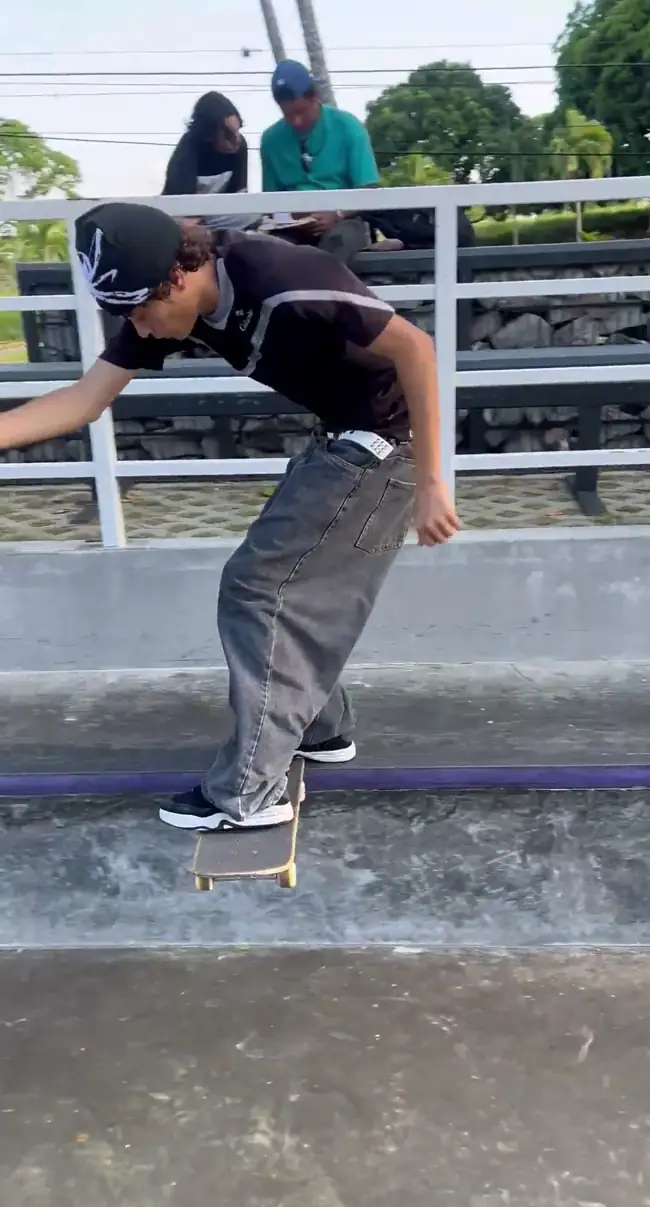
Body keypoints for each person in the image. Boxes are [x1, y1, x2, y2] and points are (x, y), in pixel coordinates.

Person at [0, 202, 459, 831]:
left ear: (177, 277)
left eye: (141, 312)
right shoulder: (165, 296)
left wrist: (434, 482)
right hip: (345, 437)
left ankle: (248, 793)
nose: (141, 329)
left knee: (258, 589)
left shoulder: (280, 277)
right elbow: (85, 399)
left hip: (386, 444)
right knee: (288, 586)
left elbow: (416, 348)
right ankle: (321, 730)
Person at [260, 60, 379, 264]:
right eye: (288, 115)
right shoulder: (270, 140)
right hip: (293, 226)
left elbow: (368, 188)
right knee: (272, 251)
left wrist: (337, 213)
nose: (296, 121)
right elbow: (271, 200)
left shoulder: (348, 127)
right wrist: (291, 217)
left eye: (302, 112)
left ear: (315, 96)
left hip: (344, 220)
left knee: (337, 243)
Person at [162, 91, 256, 235]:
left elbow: (239, 195)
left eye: (238, 131)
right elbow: (181, 204)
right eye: (228, 134)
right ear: (208, 134)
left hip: (216, 216)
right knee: (179, 223)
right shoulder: (188, 149)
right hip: (186, 215)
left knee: (252, 213)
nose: (236, 140)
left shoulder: (240, 147)